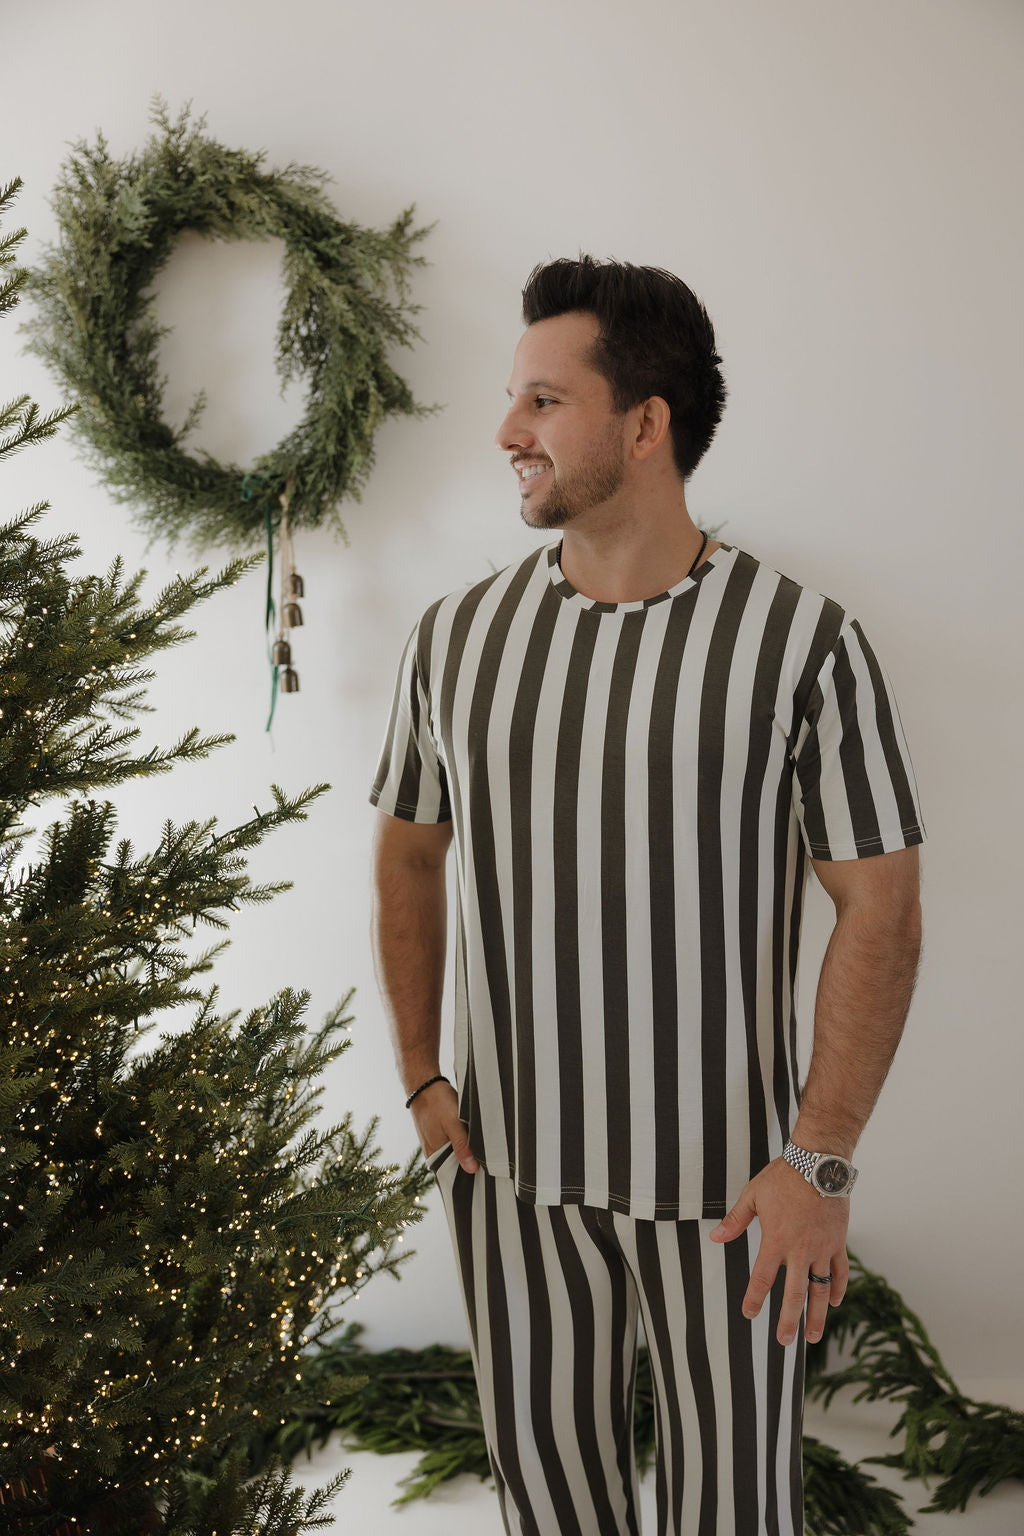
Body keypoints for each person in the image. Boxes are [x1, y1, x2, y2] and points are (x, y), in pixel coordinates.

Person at [369, 255, 925, 1536]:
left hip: (734, 1190)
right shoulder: (455, 638)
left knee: (736, 1511)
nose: (507, 431)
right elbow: (407, 849)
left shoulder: (801, 643)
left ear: (644, 423)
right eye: (513, 399)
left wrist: (820, 1161)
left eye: (543, 401)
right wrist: (419, 1072)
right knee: (551, 1506)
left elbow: (880, 905)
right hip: (505, 1172)